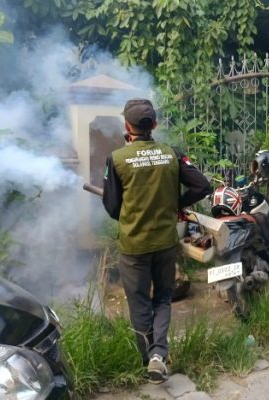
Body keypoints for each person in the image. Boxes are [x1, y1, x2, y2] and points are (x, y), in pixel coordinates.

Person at [102, 98, 212, 383]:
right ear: (155, 125)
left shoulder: (116, 159)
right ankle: (158, 355)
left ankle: (146, 360)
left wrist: (131, 213)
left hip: (133, 245)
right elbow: (202, 186)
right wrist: (177, 203)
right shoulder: (172, 154)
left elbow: (112, 207)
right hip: (165, 243)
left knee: (139, 302)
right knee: (163, 298)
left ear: (126, 126)